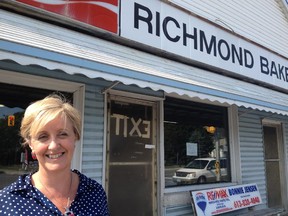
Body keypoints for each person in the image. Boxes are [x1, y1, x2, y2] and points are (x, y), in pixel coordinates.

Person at [0, 94, 109, 215]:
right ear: (31, 144)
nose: (53, 145)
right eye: (43, 136)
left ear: (75, 137)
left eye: (62, 134)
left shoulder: (94, 192)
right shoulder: (8, 202)